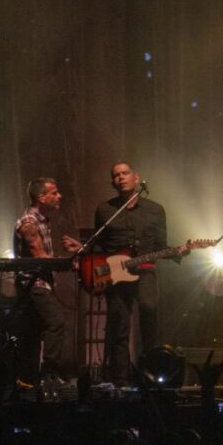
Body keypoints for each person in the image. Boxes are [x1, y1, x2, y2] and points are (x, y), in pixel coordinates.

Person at [66, 161, 169, 386]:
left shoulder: (155, 209)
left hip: (146, 270)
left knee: (149, 313)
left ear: (136, 177)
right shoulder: (105, 210)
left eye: (125, 173)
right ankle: (120, 380)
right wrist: (84, 253)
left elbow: (162, 244)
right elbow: (100, 246)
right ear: (112, 182)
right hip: (117, 275)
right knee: (119, 325)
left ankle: (151, 377)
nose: (121, 177)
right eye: (116, 175)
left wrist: (177, 251)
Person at [12, 177, 70, 386]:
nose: (59, 196)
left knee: (34, 332)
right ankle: (49, 373)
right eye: (54, 193)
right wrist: (69, 263)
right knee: (56, 322)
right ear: (41, 197)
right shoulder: (29, 222)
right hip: (34, 285)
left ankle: (28, 380)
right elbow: (39, 256)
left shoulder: (42, 220)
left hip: (40, 284)